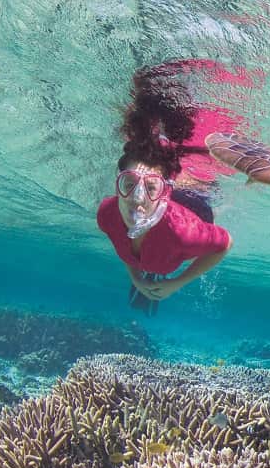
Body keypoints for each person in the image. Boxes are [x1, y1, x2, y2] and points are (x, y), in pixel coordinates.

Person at [97, 61, 243, 315]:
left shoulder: (184, 233)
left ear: (164, 191)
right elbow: (123, 242)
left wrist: (177, 283)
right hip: (161, 233)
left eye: (150, 187)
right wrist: (135, 277)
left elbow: (225, 243)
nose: (137, 198)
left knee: (201, 184)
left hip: (196, 199)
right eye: (128, 184)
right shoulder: (106, 213)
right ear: (117, 183)